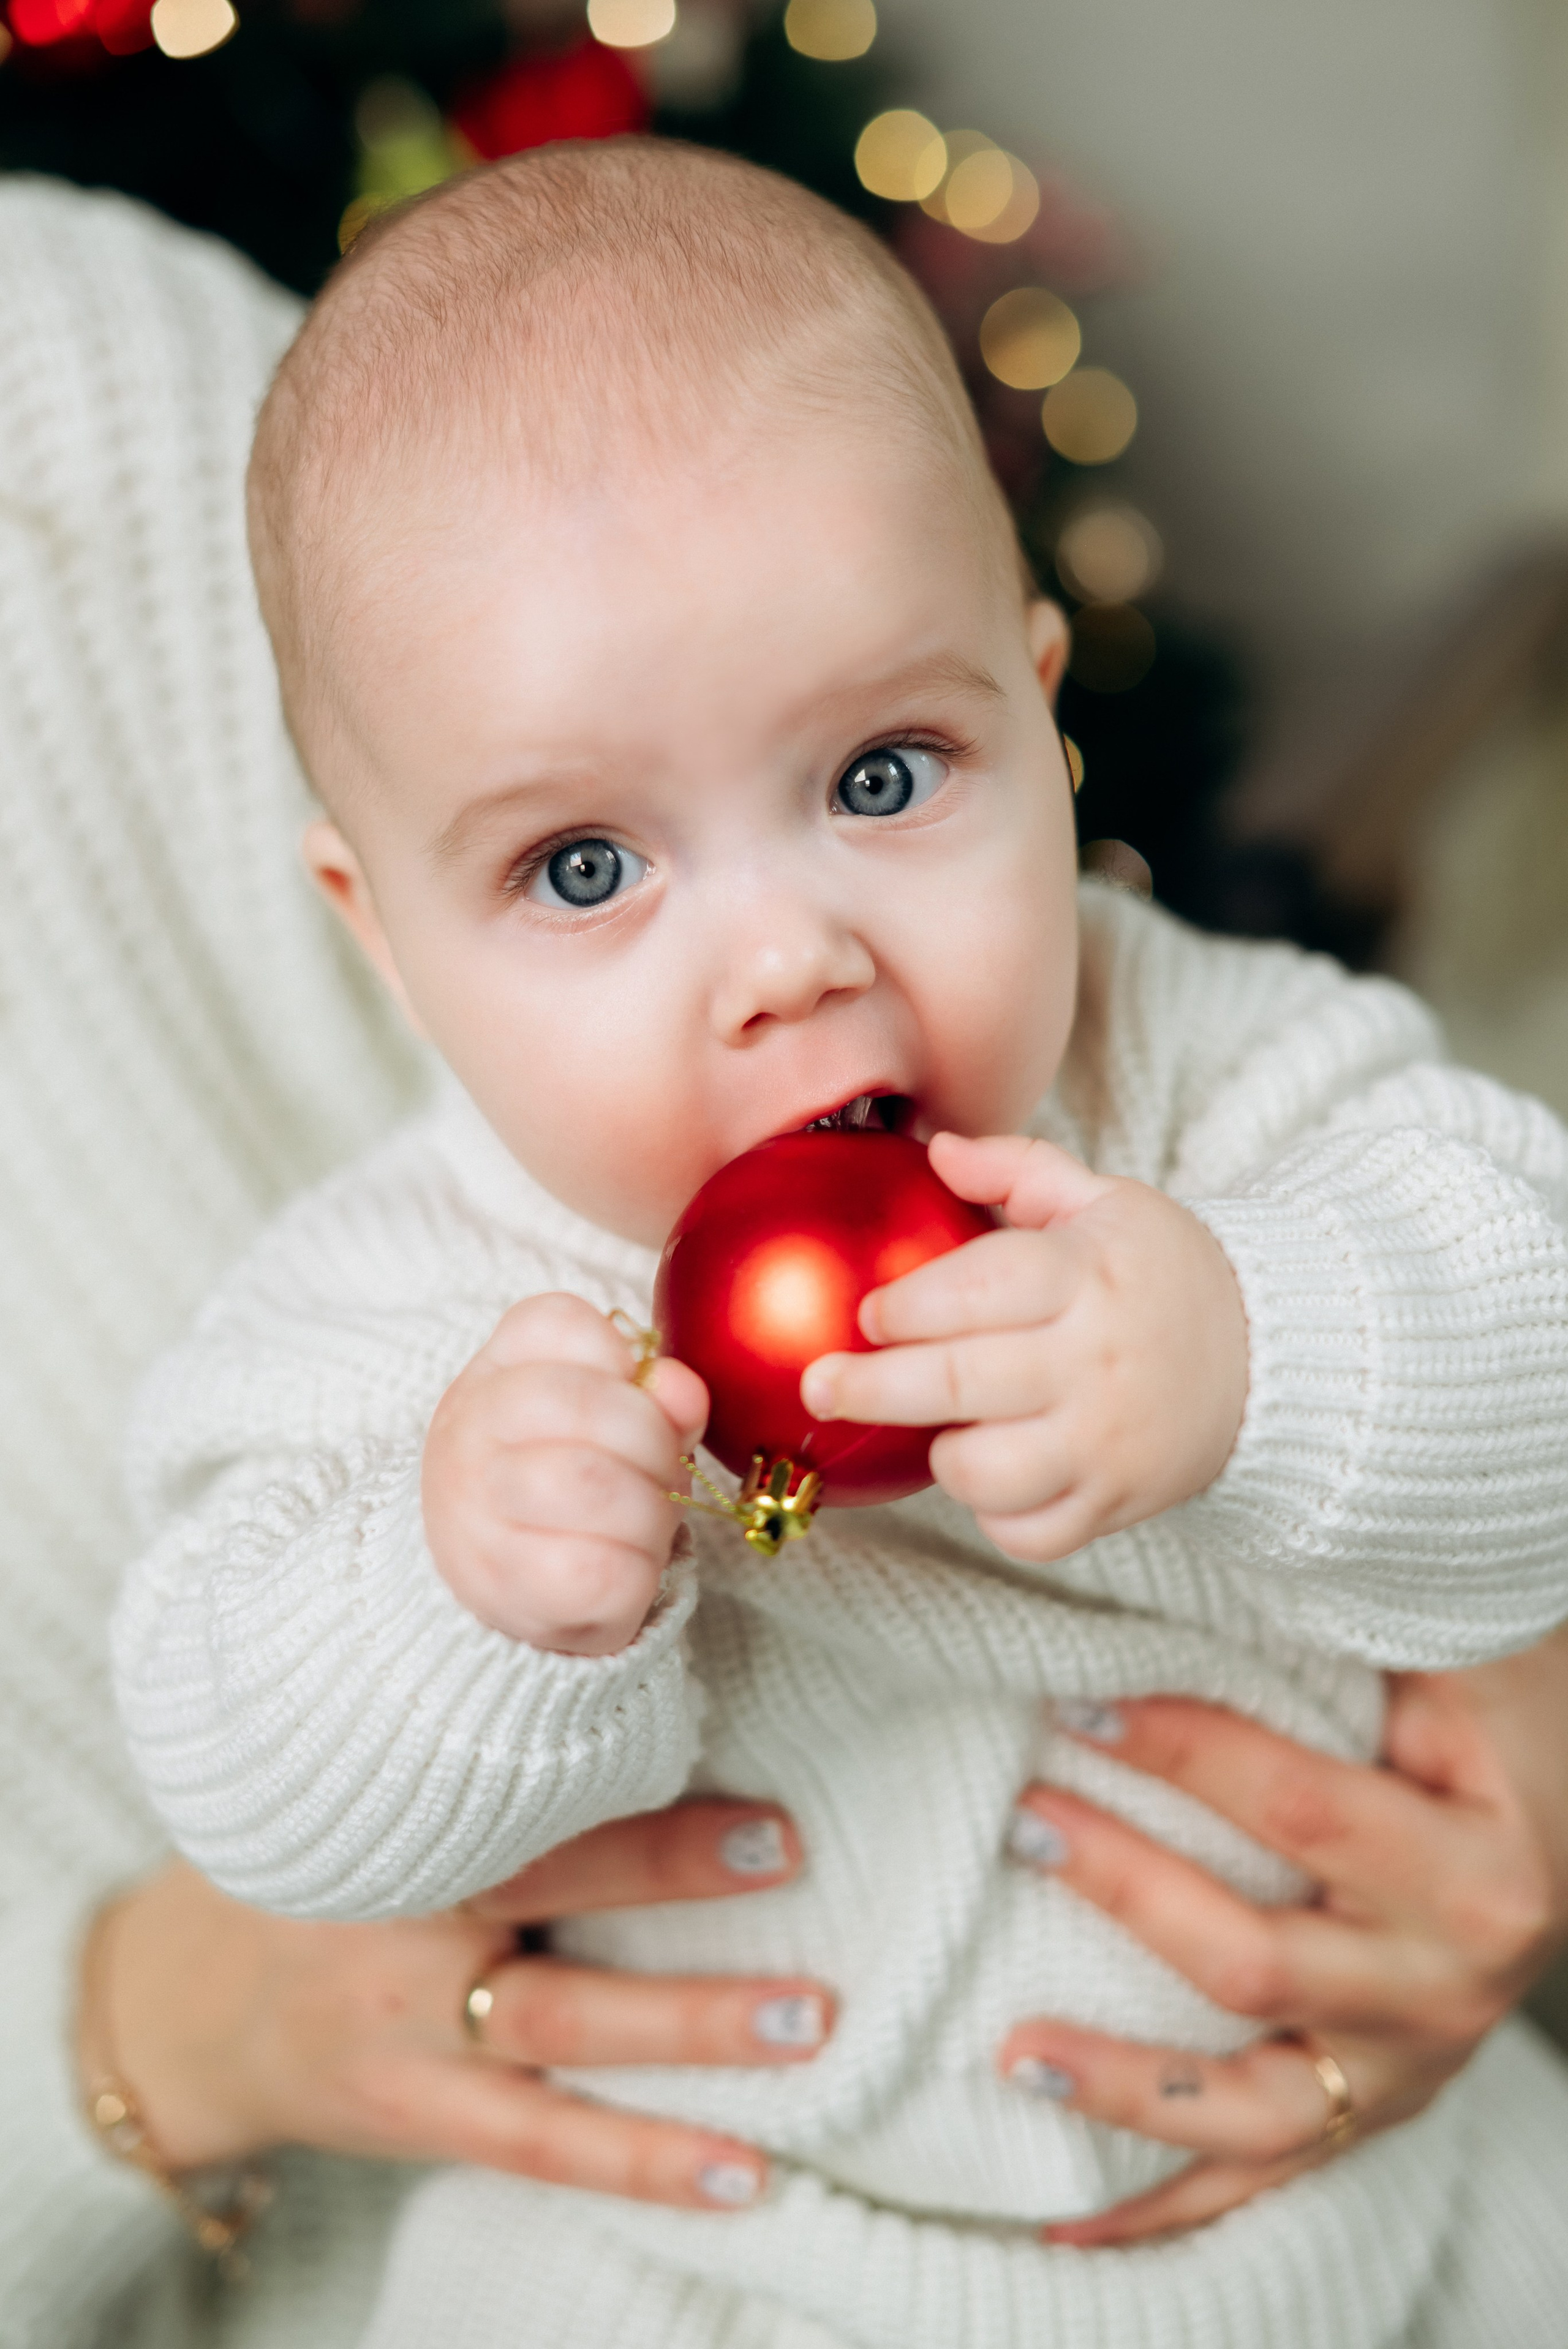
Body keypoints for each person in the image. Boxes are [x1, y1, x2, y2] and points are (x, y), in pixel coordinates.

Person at [106, 139, 1568, 2349]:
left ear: (1043, 713)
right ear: (384, 939)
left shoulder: (1203, 1077)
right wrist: (453, 1595)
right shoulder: (405, 1314)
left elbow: (1533, 1322)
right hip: (709, 2261)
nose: (787, 958)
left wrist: (1260, 1347)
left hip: (1351, 2231)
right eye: (585, 868)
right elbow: (235, 1759)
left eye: (885, 775)